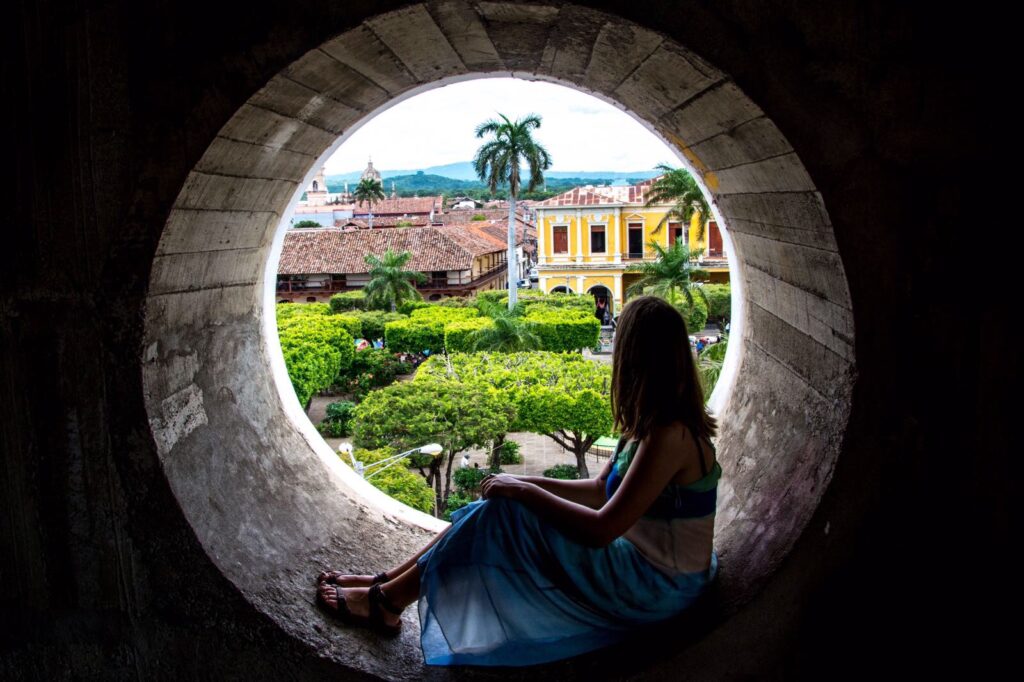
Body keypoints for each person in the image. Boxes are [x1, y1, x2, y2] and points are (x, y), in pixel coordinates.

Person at [314, 295, 722, 666]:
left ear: (635, 357)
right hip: (641, 566)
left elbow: (602, 528)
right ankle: (388, 584)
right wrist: (523, 483)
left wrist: (524, 491)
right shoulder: (648, 424)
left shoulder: (671, 434)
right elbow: (600, 491)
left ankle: (387, 601)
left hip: (660, 584)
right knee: (486, 507)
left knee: (502, 514)